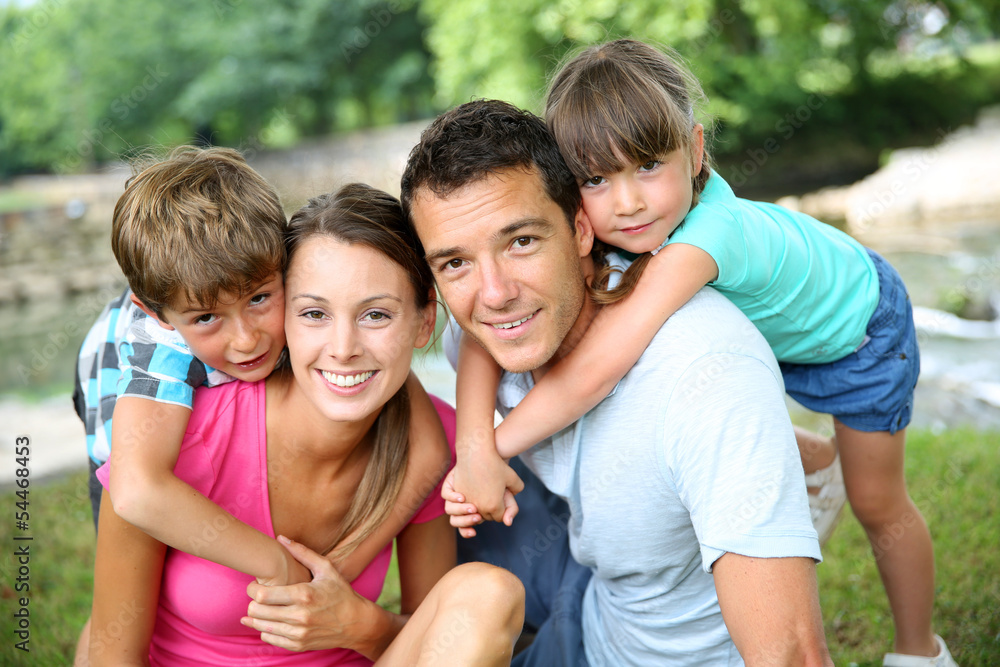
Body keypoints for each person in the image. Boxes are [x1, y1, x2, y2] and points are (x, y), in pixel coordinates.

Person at [445, 39, 955, 667]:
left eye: (648, 167)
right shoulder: (628, 231)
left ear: (695, 150)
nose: (627, 202)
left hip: (858, 333)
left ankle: (919, 650)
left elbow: (597, 371)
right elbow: (478, 338)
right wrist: (470, 444)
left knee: (880, 502)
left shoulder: (706, 238)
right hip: (775, 333)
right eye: (596, 179)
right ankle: (806, 458)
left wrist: (488, 452)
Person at [398, 98, 831, 665]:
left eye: (521, 241)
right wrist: (475, 446)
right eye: (455, 263)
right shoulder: (489, 328)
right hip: (589, 581)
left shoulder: (706, 371)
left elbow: (792, 655)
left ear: (581, 229)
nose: (495, 293)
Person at [89, 183, 525, 666]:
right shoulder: (175, 444)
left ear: (425, 322)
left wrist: (355, 622)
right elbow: (111, 652)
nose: (343, 347)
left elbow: (427, 638)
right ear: (288, 317)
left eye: (376, 314)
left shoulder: (434, 441)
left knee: (488, 593)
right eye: (314, 313)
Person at [74, 146, 450, 586]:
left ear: (281, 264)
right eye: (208, 317)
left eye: (259, 298)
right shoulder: (159, 345)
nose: (247, 339)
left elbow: (429, 449)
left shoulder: (268, 272)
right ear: (158, 314)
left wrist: (345, 565)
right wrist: (278, 566)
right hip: (110, 418)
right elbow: (137, 491)